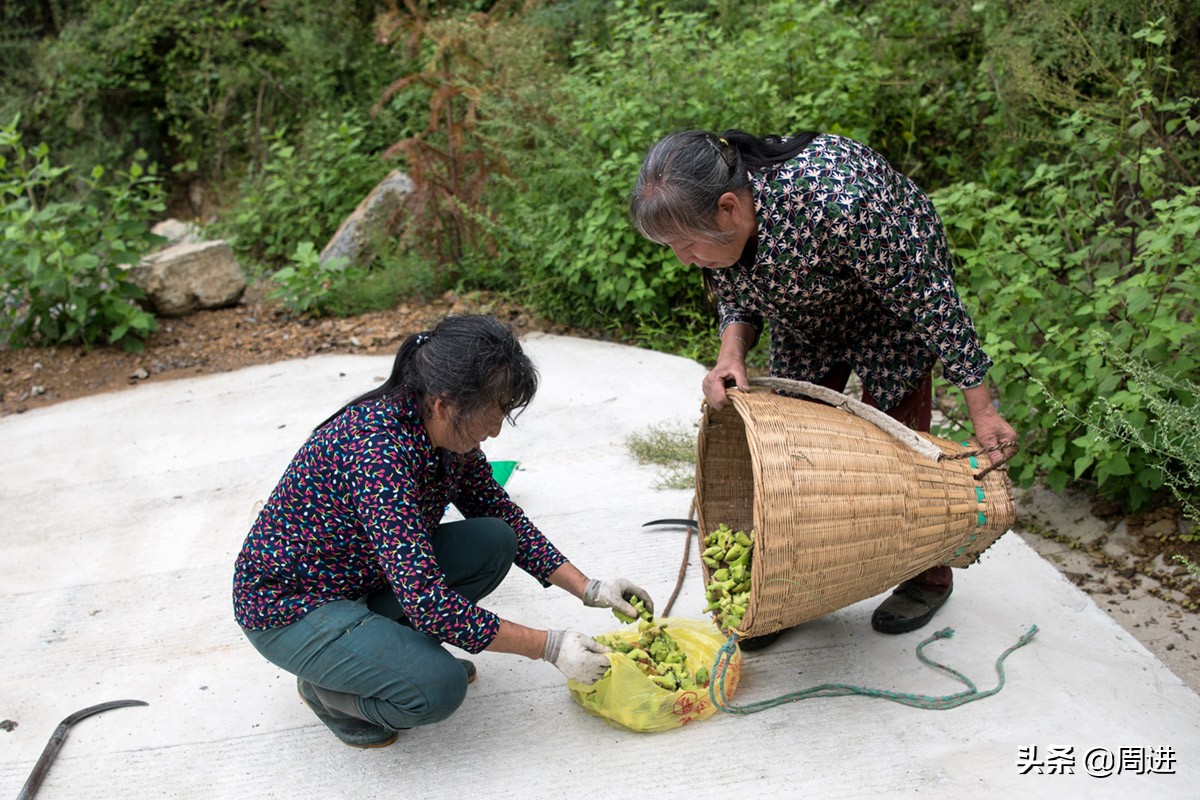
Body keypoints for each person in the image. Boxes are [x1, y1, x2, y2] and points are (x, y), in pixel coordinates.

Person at [630, 129, 1016, 647]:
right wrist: (731, 354)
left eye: (685, 244)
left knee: (902, 461)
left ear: (728, 208)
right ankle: (792, 587)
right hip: (807, 317)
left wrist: (982, 409)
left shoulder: (840, 200)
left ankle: (927, 576)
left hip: (891, 317)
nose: (683, 258)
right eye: (672, 246)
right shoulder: (722, 227)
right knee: (793, 458)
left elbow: (932, 303)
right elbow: (736, 290)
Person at [232, 314, 654, 747]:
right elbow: (428, 602)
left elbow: (498, 510)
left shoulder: (446, 434)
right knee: (438, 688)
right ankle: (329, 690)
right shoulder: (378, 451)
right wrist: (549, 646)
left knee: (494, 540)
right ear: (443, 403)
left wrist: (589, 587)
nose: (493, 431)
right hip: (292, 606)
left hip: (362, 578)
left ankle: (386, 655)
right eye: (490, 415)